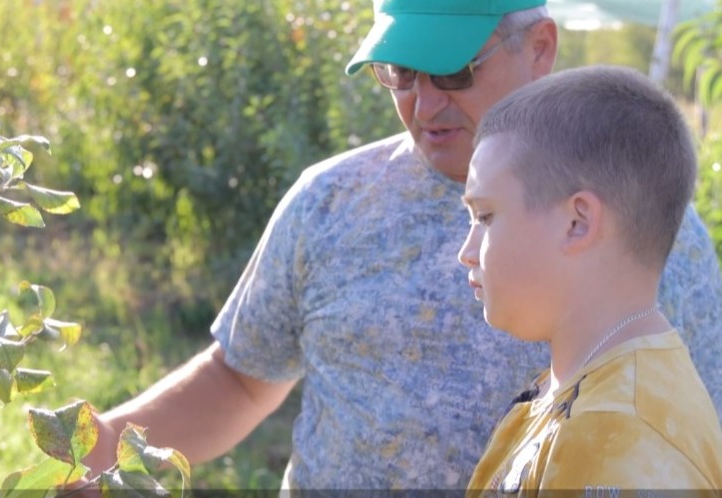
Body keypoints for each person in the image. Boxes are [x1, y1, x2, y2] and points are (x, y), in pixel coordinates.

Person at [85, 0, 722, 489]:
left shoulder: (645, 230)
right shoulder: (330, 200)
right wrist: (107, 445)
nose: (424, 102)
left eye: (451, 68)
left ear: (540, 46)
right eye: (399, 72)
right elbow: (241, 380)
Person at [460, 64, 722, 493]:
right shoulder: (593, 382)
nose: (466, 252)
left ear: (577, 223)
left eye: (486, 216)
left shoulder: (621, 438)